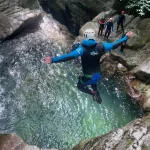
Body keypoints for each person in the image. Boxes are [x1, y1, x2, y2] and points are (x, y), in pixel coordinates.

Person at [43, 29, 133, 104]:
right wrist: (126, 37)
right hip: (98, 75)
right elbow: (114, 45)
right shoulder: (101, 46)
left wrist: (53, 60)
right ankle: (96, 92)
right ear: (93, 37)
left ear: (85, 37)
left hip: (88, 76)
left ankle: (93, 93)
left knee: (79, 86)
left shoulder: (81, 49)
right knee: (93, 81)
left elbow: (69, 57)